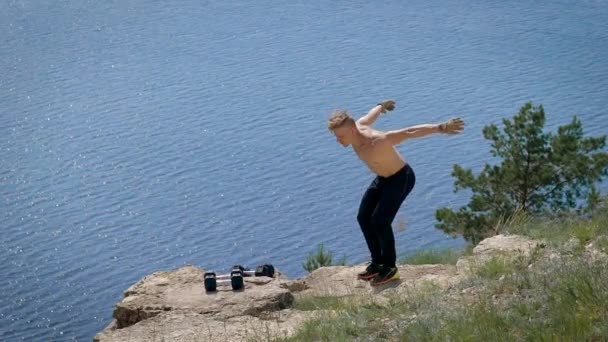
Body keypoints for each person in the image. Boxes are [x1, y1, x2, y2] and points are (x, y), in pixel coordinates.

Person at [327, 100, 464, 286]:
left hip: (401, 178)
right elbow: (369, 116)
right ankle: (377, 263)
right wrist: (381, 106)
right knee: (363, 217)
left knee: (380, 221)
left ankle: (390, 268)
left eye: (340, 136)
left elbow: (409, 132)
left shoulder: (377, 140)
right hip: (383, 179)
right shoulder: (357, 126)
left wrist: (440, 127)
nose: (338, 140)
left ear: (351, 131)